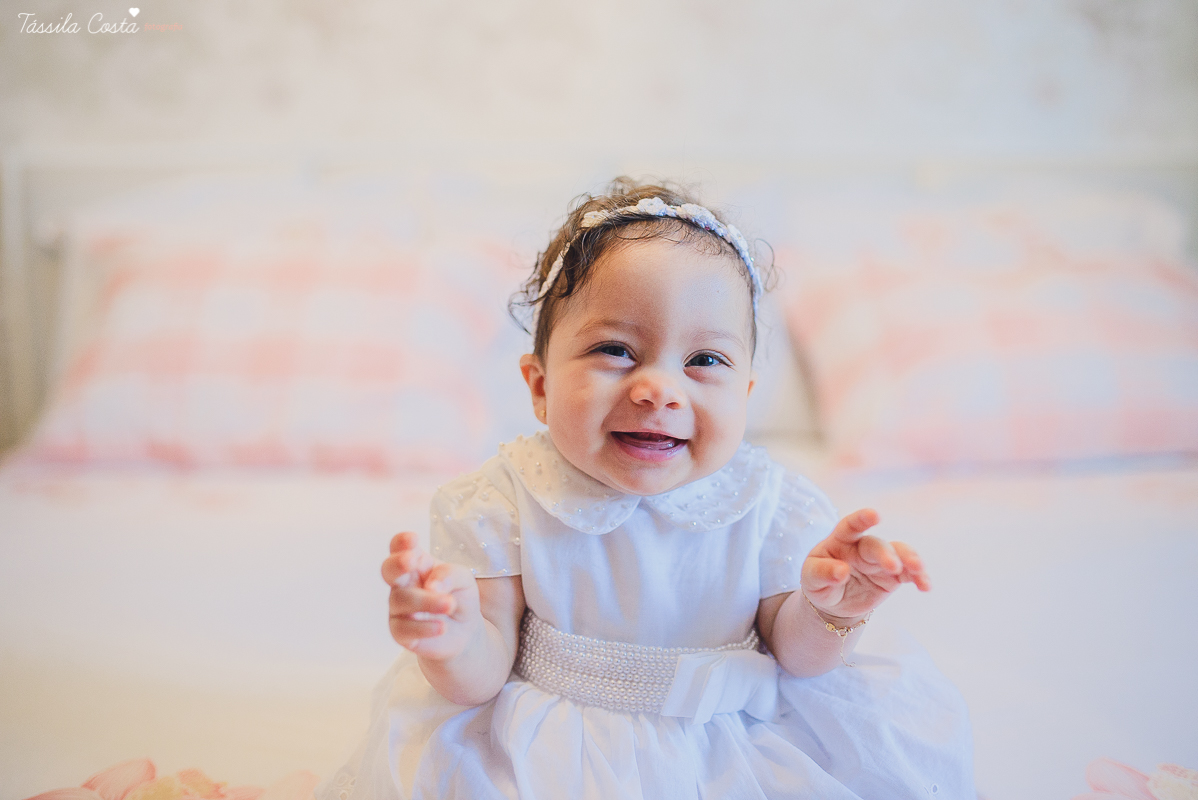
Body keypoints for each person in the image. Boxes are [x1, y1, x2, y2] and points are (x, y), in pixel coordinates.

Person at [319, 179, 975, 800]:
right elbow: (482, 675)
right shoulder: (504, 498)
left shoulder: (771, 504)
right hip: (556, 751)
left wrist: (835, 611)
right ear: (540, 386)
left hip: (734, 742)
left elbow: (800, 659)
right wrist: (455, 637)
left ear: (746, 395)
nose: (659, 389)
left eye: (704, 361)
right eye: (616, 350)